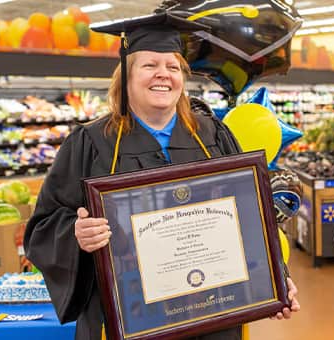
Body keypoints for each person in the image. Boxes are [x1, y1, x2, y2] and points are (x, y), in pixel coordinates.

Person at [23, 12, 301, 340]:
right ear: (126, 76)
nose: (163, 75)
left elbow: (250, 215)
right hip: (132, 319)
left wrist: (275, 278)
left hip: (213, 314)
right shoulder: (90, 143)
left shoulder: (214, 135)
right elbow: (43, 226)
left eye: (172, 66)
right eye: (149, 65)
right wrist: (77, 234)